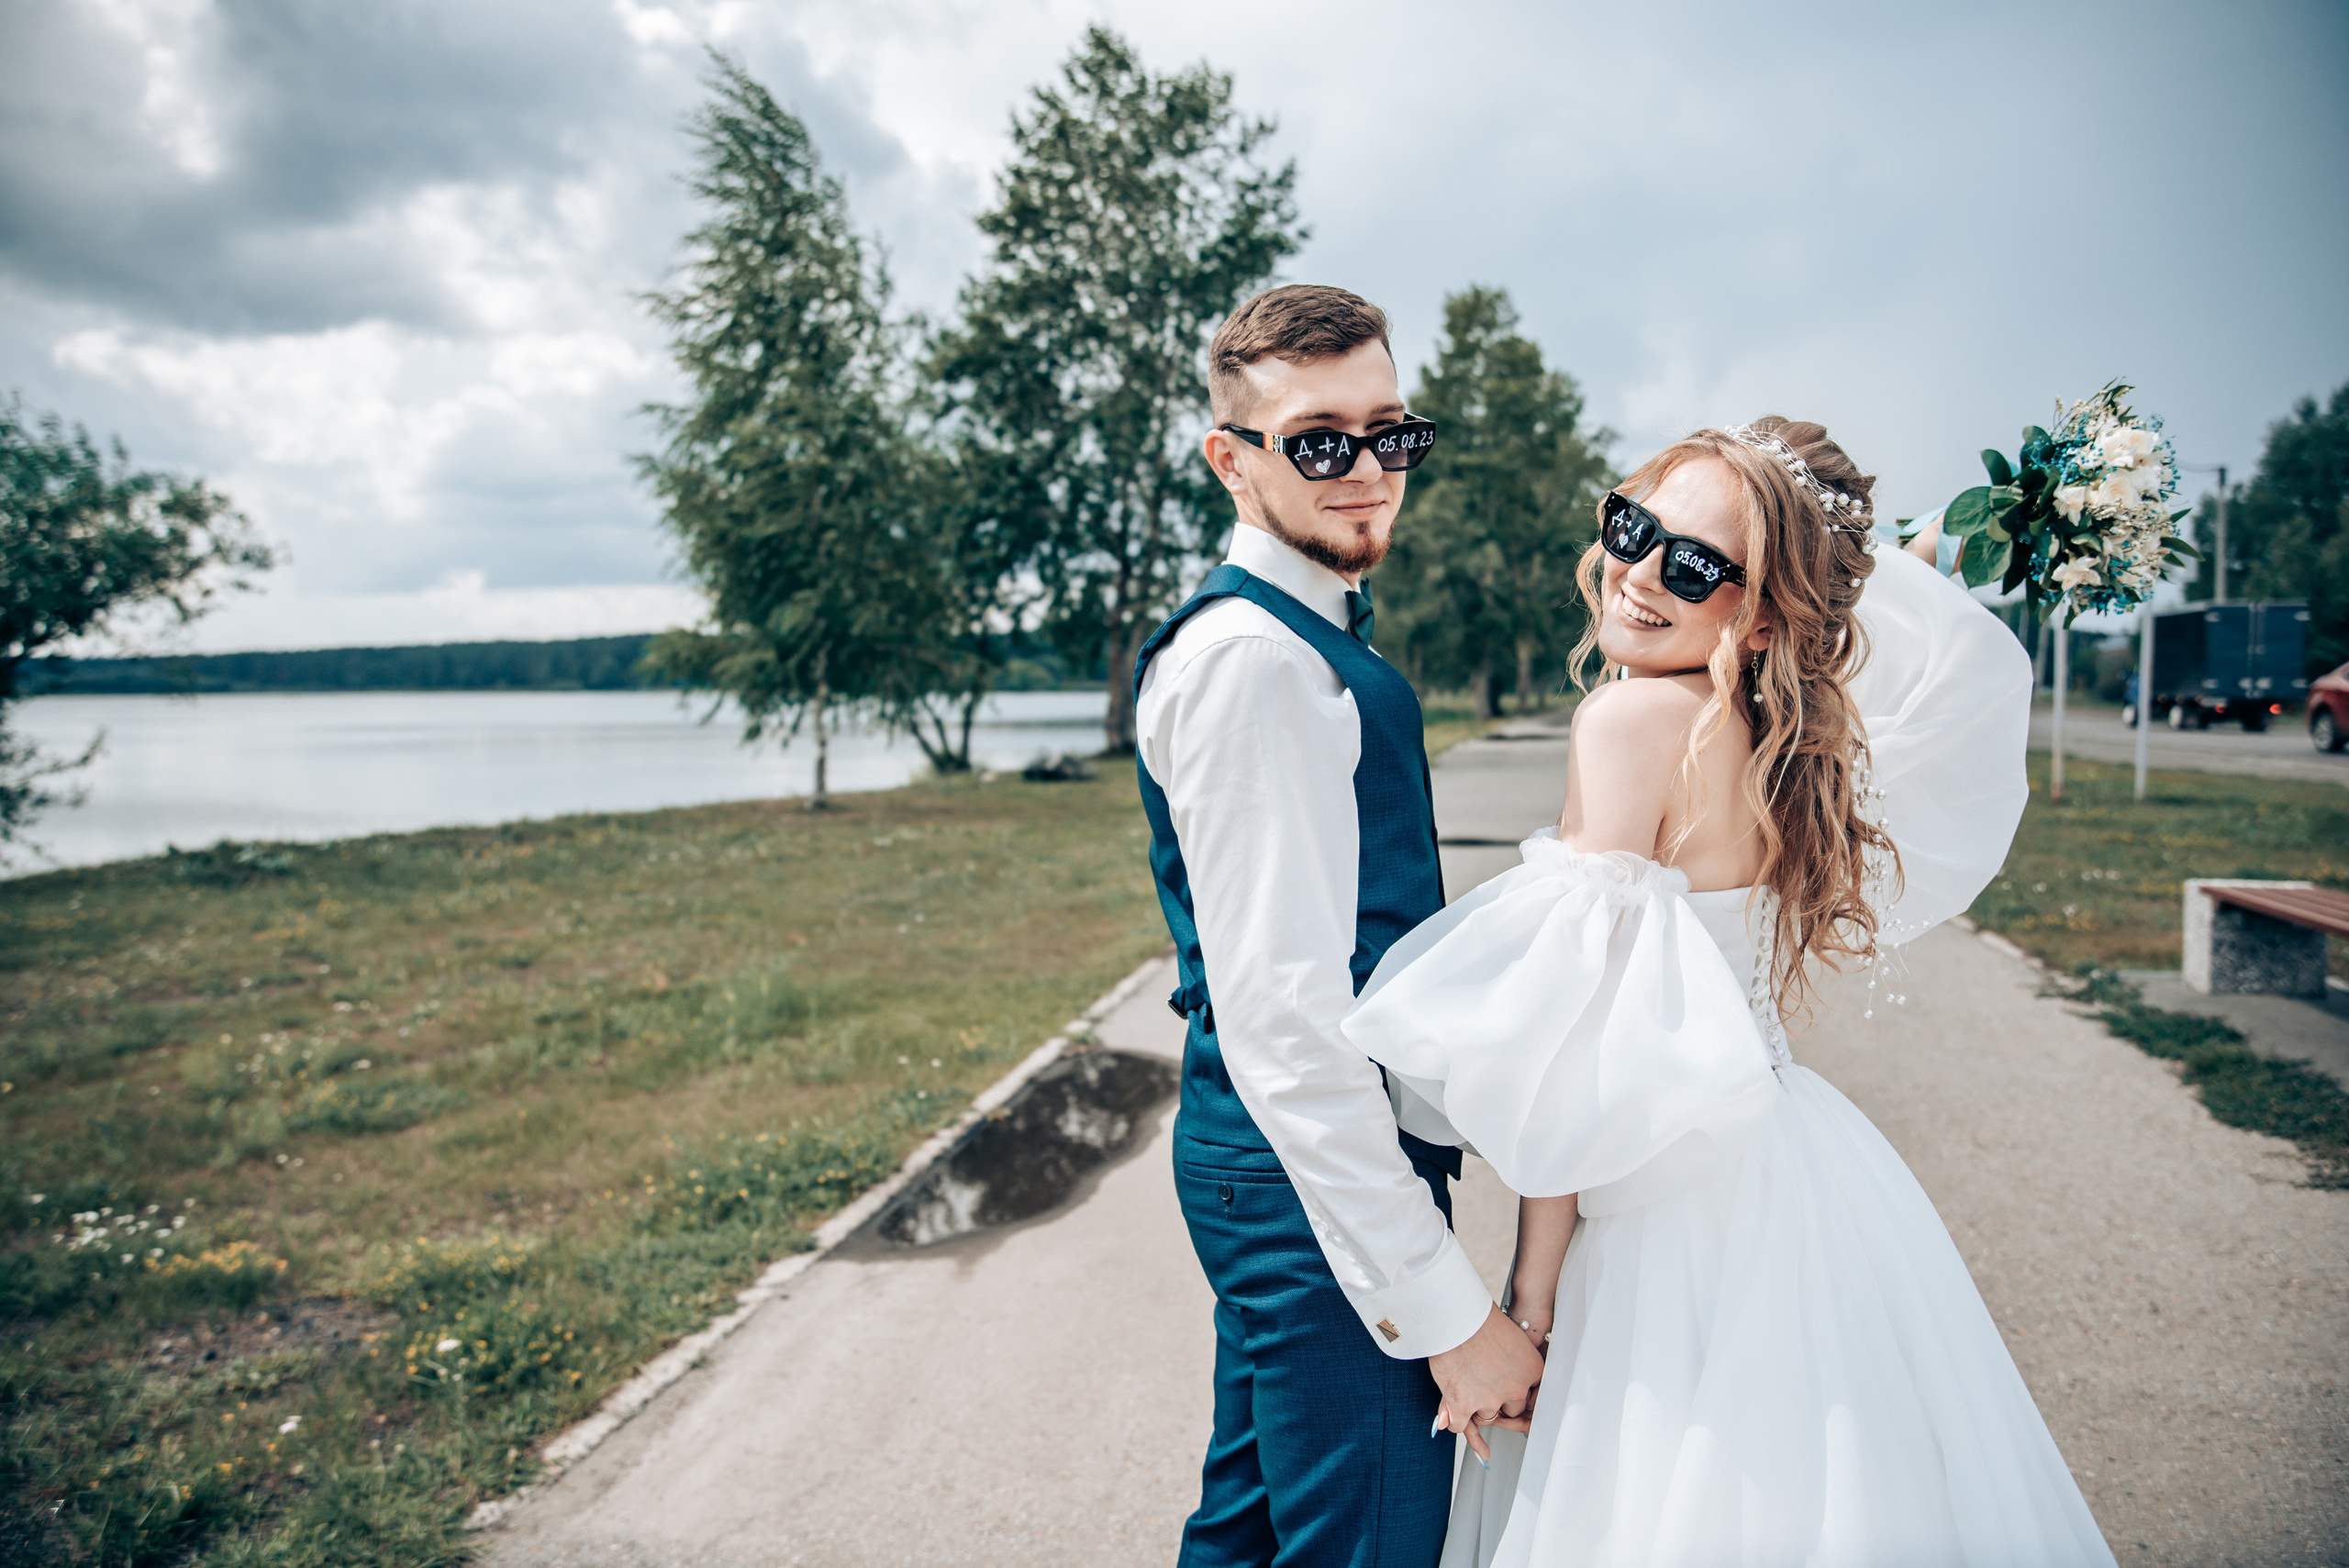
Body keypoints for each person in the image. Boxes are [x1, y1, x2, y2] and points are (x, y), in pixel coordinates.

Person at [1343, 420, 2120, 1567]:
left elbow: (1574, 1054)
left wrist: (1531, 1298)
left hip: (1662, 1208)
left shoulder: (1626, 719)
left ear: (1757, 616)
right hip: (1796, 1163)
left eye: (1697, 566)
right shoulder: (1775, 739)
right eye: (1634, 528)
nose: (1644, 573)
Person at [1135, 284, 1544, 1566]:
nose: (1367, 471)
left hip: (1279, 1166)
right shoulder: (1256, 666)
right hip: (1300, 1170)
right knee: (1368, 1542)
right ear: (1232, 459)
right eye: (1318, 440)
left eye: (1391, 434)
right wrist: (1442, 1307)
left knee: (1255, 1531)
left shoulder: (1308, 634)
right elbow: (1290, 1026)